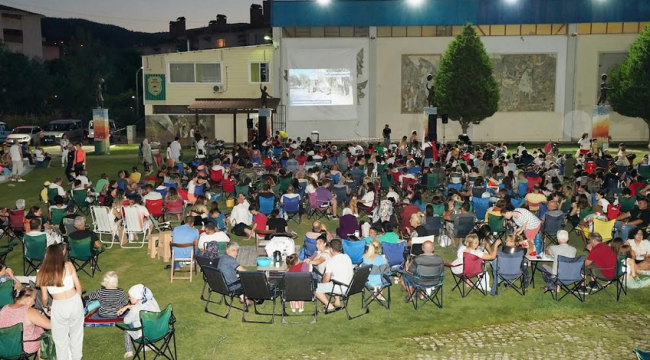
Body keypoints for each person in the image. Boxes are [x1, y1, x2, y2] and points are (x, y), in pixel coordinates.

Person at [36, 245, 84, 360]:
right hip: (75, 301)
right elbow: (79, 286)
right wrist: (78, 299)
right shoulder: (69, 265)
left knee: (60, 339)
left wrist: (45, 307)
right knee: (76, 335)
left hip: (59, 305)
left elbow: (44, 297)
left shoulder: (42, 272)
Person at [0, 288, 51, 356]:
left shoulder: (4, 308)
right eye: (34, 299)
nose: (34, 303)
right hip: (23, 348)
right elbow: (50, 326)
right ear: (28, 298)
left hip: (5, 346)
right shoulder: (29, 311)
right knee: (45, 336)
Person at [117, 284, 160, 358]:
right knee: (146, 324)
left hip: (144, 335)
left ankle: (129, 351)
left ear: (136, 297)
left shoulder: (135, 310)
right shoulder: (151, 300)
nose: (129, 298)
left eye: (130, 297)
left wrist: (129, 309)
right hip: (158, 331)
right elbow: (141, 305)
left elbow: (126, 321)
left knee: (127, 328)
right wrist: (128, 306)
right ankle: (149, 345)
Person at [314, 239, 353, 313]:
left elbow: (326, 280)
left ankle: (329, 307)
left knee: (315, 288)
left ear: (331, 249)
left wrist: (321, 283)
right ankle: (337, 302)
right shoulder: (347, 257)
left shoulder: (331, 262)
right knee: (335, 278)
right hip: (350, 285)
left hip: (342, 288)